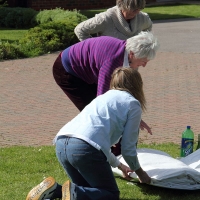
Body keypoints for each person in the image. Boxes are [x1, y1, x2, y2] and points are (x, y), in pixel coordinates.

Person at [26, 67, 151, 200]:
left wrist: (120, 165)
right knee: (110, 194)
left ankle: (54, 190)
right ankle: (59, 191)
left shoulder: (103, 97)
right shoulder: (133, 104)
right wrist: (140, 173)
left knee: (87, 192)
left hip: (62, 143)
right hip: (84, 148)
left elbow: (97, 143)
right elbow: (127, 148)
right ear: (137, 85)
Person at [52, 31, 159, 156]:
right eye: (143, 61)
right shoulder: (113, 60)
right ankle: (106, 156)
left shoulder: (128, 57)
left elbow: (126, 94)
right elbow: (103, 100)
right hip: (68, 72)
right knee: (97, 115)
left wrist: (135, 116)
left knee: (119, 116)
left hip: (89, 73)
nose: (144, 65)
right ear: (131, 54)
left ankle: (121, 156)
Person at [74, 0, 152, 41]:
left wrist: (141, 41)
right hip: (109, 61)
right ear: (121, 5)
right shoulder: (105, 18)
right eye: (133, 9)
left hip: (131, 63)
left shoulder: (143, 18)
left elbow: (148, 27)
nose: (137, 12)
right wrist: (95, 47)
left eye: (139, 9)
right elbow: (80, 29)